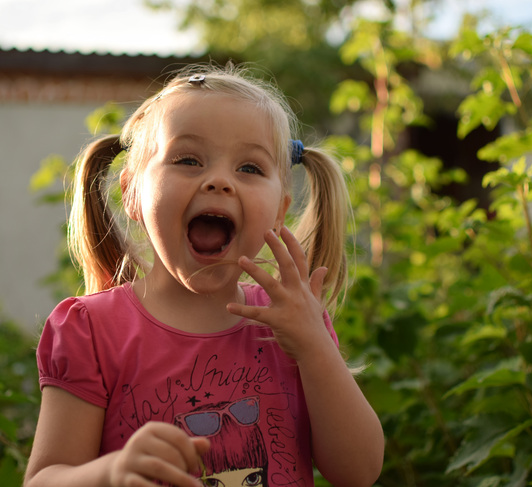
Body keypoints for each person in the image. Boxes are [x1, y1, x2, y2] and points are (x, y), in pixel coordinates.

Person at [24, 64, 384, 487]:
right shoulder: (92, 330)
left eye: (250, 168)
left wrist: (313, 345)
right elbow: (44, 479)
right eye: (188, 160)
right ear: (132, 194)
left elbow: (358, 472)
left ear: (279, 210)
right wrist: (110, 473)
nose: (219, 182)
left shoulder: (293, 323)